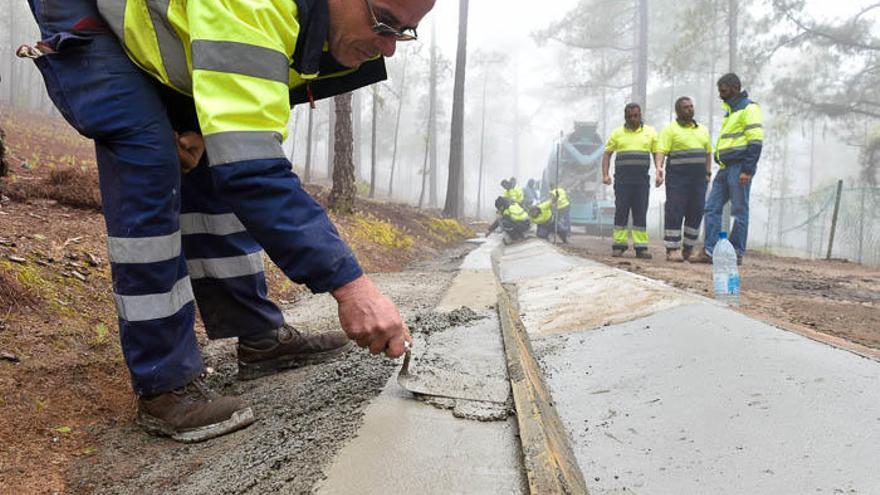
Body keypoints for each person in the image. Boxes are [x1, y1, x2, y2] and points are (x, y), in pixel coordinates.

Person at [25, 0, 435, 443]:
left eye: (404, 32)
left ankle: (258, 337)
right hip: (86, 9)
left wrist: (197, 126)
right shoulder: (255, 5)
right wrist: (351, 286)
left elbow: (235, 122)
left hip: (176, 26)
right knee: (151, 160)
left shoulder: (309, 23)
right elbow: (254, 171)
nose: (389, 49)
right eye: (384, 24)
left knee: (216, 157)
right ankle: (163, 383)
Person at [693, 73, 763, 265]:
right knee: (711, 208)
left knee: (740, 211)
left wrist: (747, 170)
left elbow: (755, 141)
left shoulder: (749, 108)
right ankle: (710, 251)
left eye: (723, 90)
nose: (720, 94)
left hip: (740, 167)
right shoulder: (730, 111)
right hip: (725, 168)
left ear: (735, 88)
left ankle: (735, 253)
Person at [654, 96, 712, 262]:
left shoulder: (702, 129)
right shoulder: (670, 130)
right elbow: (661, 151)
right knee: (675, 210)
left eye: (691, 106)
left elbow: (708, 152)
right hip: (677, 178)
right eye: (686, 107)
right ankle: (672, 249)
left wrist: (708, 172)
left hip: (699, 179)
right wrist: (659, 168)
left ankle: (688, 249)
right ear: (678, 111)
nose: (690, 109)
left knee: (696, 211)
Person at [602, 103, 657, 259]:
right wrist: (605, 175)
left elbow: (656, 152)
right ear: (625, 117)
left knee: (640, 212)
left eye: (636, 115)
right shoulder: (617, 133)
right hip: (622, 182)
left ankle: (641, 248)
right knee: (621, 212)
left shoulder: (650, 132)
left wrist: (660, 171)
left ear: (640, 115)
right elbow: (607, 154)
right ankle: (619, 245)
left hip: (641, 182)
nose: (633, 119)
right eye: (630, 116)